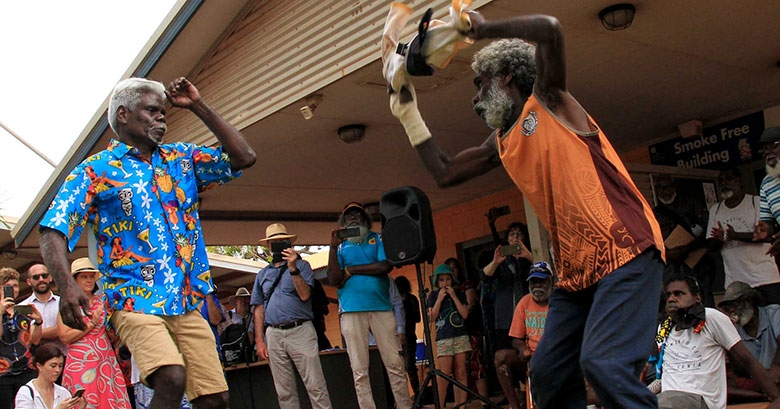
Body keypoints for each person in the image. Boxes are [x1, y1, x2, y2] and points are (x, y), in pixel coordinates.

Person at [387, 12, 666, 408]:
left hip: (626, 250)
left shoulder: (549, 99)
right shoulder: (500, 140)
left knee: (604, 365)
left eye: (478, 84)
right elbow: (445, 173)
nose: (473, 97)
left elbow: (551, 29)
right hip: (575, 273)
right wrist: (407, 113)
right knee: (548, 374)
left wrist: (480, 29)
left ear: (505, 77)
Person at [39, 77, 256, 409]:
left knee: (216, 399)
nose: (161, 119)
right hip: (132, 298)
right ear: (124, 114)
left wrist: (198, 105)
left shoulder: (181, 159)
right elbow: (52, 229)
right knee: (170, 377)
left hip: (185, 300)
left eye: (164, 113)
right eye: (152, 111)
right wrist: (67, 286)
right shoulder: (96, 170)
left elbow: (243, 157)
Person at [326, 202, 412, 409]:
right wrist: (332, 247)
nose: (353, 218)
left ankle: (404, 406)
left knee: (395, 364)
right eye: (348, 216)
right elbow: (334, 278)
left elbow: (384, 266)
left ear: (365, 219)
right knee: (359, 369)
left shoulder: (377, 238)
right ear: (343, 222)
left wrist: (351, 270)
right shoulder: (340, 247)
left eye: (357, 214)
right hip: (351, 312)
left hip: (381, 309)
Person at [657, 275, 780, 408]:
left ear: (697, 298)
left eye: (678, 294)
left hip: (698, 400)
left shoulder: (711, 317)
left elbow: (747, 360)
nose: (671, 299)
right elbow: (663, 373)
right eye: (668, 295)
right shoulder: (663, 328)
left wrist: (776, 398)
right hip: (667, 399)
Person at [251, 223, 332, 409]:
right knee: (284, 391)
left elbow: (305, 295)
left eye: (283, 241)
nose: (279, 245)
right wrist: (260, 340)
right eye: (275, 242)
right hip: (273, 333)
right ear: (269, 247)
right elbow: (258, 308)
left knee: (315, 385)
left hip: (300, 329)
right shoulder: (262, 274)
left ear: (289, 244)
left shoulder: (303, 266)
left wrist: (293, 267)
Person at [58, 258, 131, 408]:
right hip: (80, 363)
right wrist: (91, 324)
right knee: (84, 401)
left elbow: (114, 333)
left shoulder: (103, 301)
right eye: (84, 277)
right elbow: (64, 337)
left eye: (91, 276)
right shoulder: (68, 304)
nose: (89, 280)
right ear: (74, 280)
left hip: (106, 361)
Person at [708, 168, 780, 306]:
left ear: (738, 180)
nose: (724, 183)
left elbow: (769, 236)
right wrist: (718, 239)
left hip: (765, 279)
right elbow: (711, 247)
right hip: (736, 284)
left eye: (729, 179)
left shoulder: (756, 202)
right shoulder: (715, 210)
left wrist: (736, 235)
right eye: (721, 181)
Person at [482, 223, 531, 409]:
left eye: (519, 234)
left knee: (526, 358)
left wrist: (527, 255)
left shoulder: (528, 259)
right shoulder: (502, 262)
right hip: (505, 320)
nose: (515, 237)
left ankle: (530, 398)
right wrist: (496, 261)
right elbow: (485, 276)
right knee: (503, 359)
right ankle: (514, 402)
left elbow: (546, 269)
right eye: (512, 234)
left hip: (529, 319)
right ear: (506, 238)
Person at [717, 281, 780, 398]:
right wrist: (728, 342)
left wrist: (776, 367)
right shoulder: (735, 329)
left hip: (777, 374)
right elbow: (741, 371)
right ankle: (761, 396)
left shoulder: (773, 313)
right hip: (760, 379)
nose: (732, 310)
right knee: (721, 386)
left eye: (736, 304)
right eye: (728, 307)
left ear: (750, 301)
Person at [427, 264, 470, 407]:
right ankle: (440, 404)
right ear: (437, 282)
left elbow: (464, 314)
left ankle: (461, 405)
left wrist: (453, 295)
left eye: (447, 279)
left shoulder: (459, 293)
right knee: (444, 374)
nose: (445, 283)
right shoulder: (433, 296)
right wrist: (439, 299)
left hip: (460, 335)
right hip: (443, 337)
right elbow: (432, 317)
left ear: (452, 280)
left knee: (461, 372)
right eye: (441, 280)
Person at [446, 257, 487, 402]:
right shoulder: (444, 292)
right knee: (457, 370)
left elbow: (470, 306)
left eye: (454, 268)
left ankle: (484, 402)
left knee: (476, 365)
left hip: (470, 330)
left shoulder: (467, 285)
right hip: (454, 334)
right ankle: (460, 404)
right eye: (449, 269)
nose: (452, 271)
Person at [0, 267, 42, 408]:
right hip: (3, 373)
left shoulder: (22, 309)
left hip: (26, 369)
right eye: (8, 287)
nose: (14, 289)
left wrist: (38, 322)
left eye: (16, 286)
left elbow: (35, 340)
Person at [508, 262, 552, 381]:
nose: (537, 285)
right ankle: (516, 400)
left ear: (550, 282)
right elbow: (516, 337)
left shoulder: (558, 301)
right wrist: (522, 348)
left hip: (553, 353)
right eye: (533, 282)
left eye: (541, 281)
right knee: (501, 358)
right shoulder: (524, 302)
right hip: (530, 355)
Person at [14, 344, 83, 409]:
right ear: (39, 366)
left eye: (60, 366)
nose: (57, 370)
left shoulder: (64, 393)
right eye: (53, 366)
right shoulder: (26, 392)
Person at [20, 264, 64, 352]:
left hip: (62, 357)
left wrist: (35, 334)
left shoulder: (63, 303)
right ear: (29, 282)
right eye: (36, 277)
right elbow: (22, 337)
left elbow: (65, 330)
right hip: (34, 360)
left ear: (50, 277)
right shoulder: (22, 306)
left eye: (44, 276)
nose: (41, 279)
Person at [395, 275, 421, 394]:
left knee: (409, 367)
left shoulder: (411, 300)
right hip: (400, 337)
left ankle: (417, 394)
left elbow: (417, 318)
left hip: (409, 336)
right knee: (401, 368)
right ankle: (408, 394)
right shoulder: (396, 302)